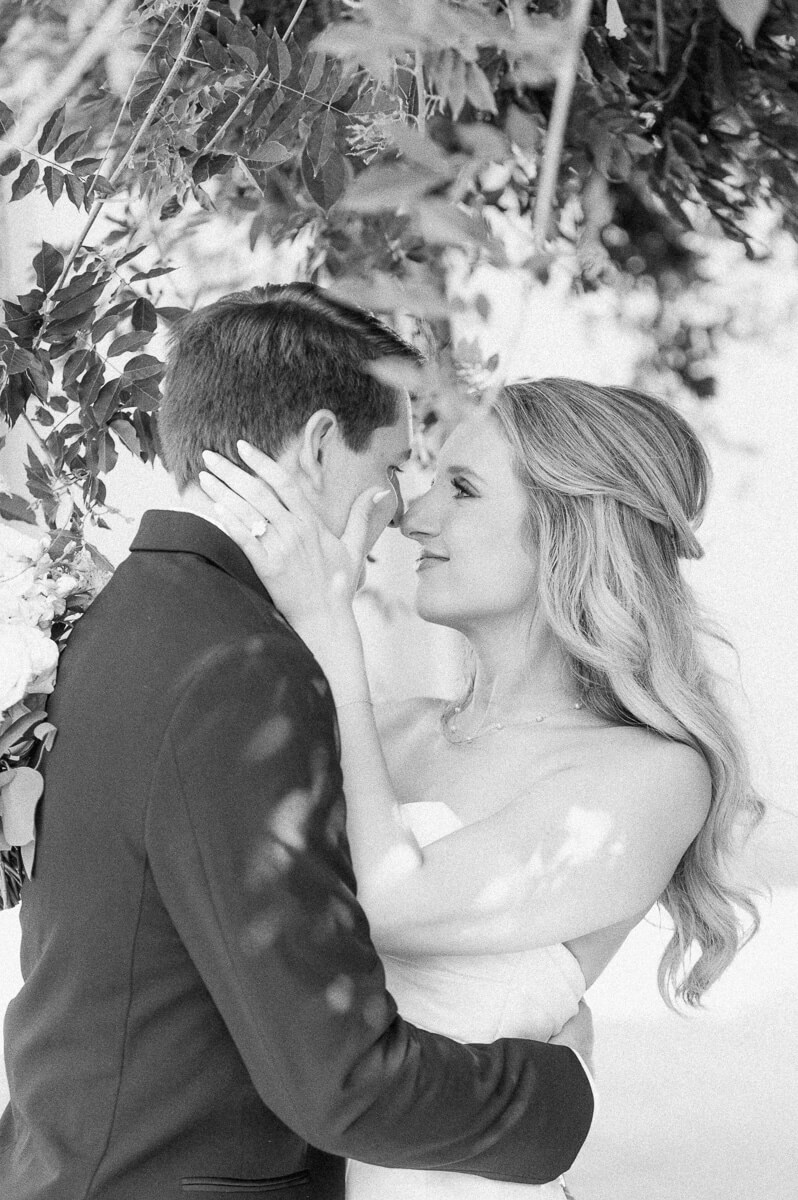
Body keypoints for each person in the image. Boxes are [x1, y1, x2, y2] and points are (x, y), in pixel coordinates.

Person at [0, 287, 596, 1200]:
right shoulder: (245, 668)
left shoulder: (118, 620)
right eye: (393, 464)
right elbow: (341, 1082)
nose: (400, 507)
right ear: (319, 446)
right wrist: (560, 1094)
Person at [200, 373, 765, 1200]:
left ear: (569, 529)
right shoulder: (384, 727)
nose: (413, 514)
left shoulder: (652, 774)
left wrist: (329, 626)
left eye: (461, 488)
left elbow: (387, 900)